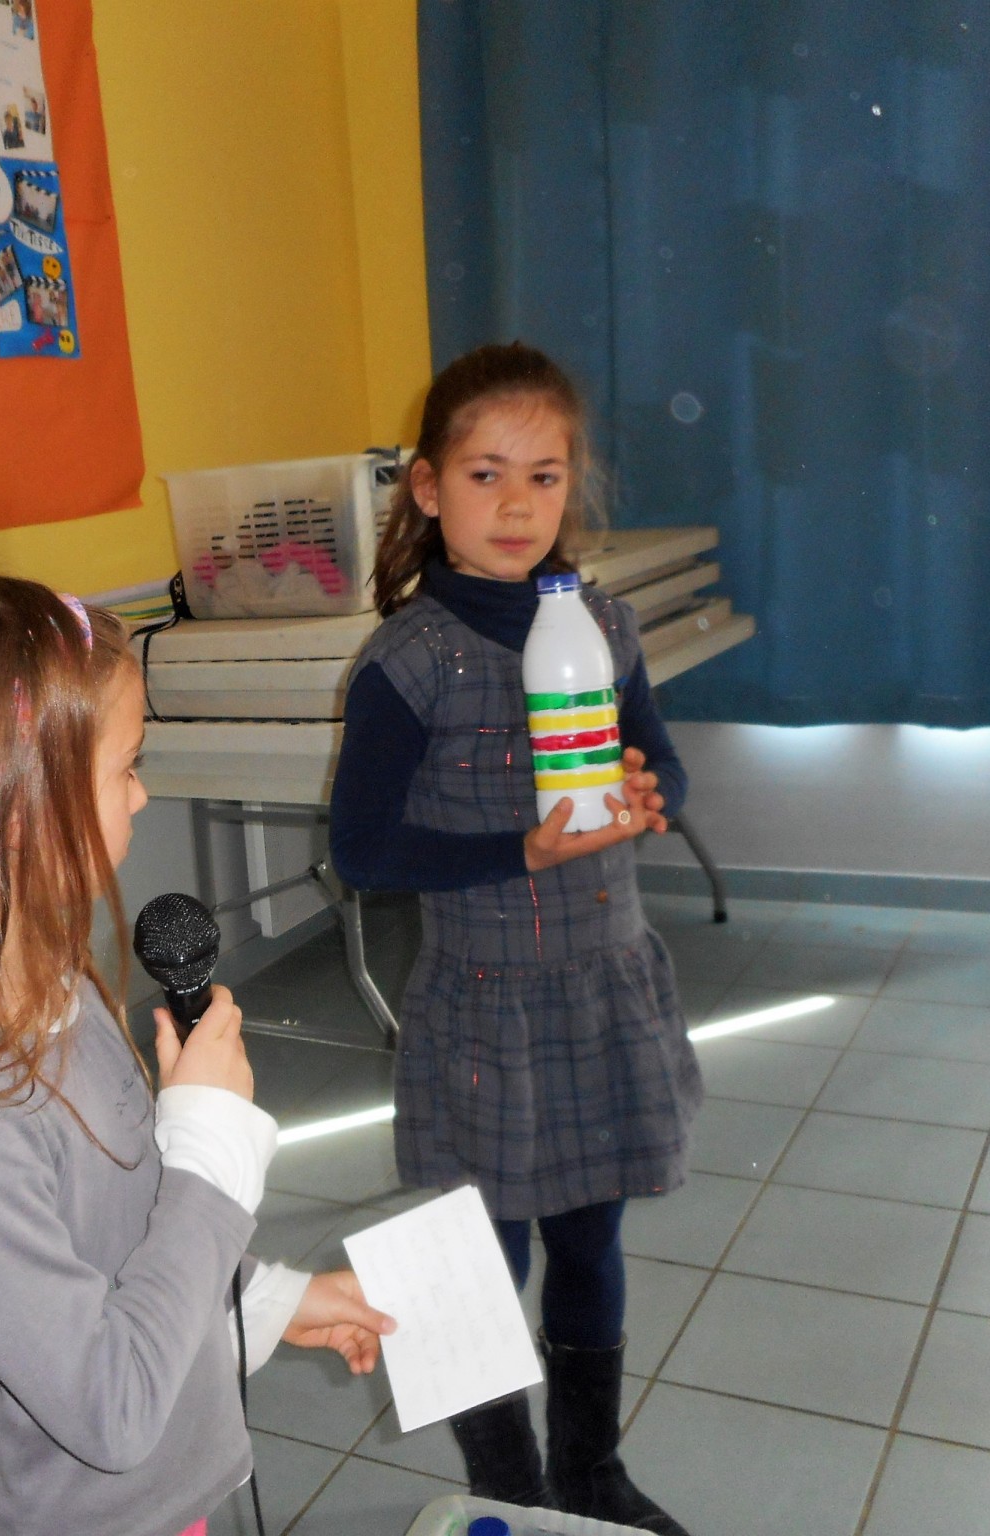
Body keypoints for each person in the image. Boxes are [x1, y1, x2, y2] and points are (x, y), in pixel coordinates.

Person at [0, 568, 394, 1536]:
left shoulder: (56, 993)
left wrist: (276, 1301)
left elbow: (124, 1247)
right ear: (15, 810)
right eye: (126, 766)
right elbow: (112, 1409)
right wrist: (209, 1154)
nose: (143, 794)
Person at [329, 343, 701, 1534]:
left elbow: (661, 761)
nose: (515, 505)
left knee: (589, 1241)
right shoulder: (407, 663)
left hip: (601, 987)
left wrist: (650, 792)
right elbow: (362, 851)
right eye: (483, 475)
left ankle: (588, 1473)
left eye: (542, 477)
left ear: (569, 488)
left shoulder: (601, 623)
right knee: (474, 1264)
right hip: (484, 1008)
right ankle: (508, 1489)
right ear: (427, 488)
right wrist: (518, 853)